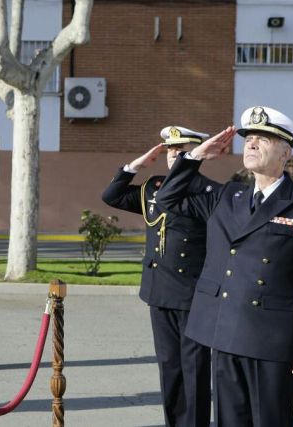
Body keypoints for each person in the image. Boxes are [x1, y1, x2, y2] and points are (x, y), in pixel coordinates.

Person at [156, 106, 293, 427]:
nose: (251, 144)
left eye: (262, 138)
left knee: (270, 420)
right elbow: (167, 198)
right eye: (248, 138)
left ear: (285, 151)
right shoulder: (227, 195)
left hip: (272, 340)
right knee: (230, 421)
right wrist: (195, 156)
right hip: (223, 332)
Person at [101, 126, 215, 427]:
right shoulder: (153, 187)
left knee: (194, 368)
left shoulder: (208, 190)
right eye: (170, 150)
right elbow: (111, 197)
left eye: (182, 150)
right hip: (159, 291)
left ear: (198, 153)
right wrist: (133, 167)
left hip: (192, 295)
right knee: (170, 367)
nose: (174, 154)